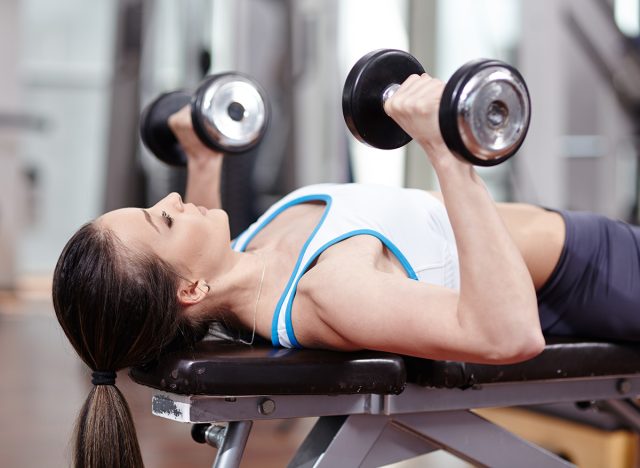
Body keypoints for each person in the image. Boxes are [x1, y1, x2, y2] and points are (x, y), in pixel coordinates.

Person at [52, 73, 640, 467]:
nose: (174, 201)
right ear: (191, 288)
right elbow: (508, 334)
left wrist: (205, 154)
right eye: (164, 221)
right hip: (602, 278)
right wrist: (447, 152)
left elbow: (200, 269)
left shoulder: (246, 263)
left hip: (596, 251)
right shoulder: (329, 292)